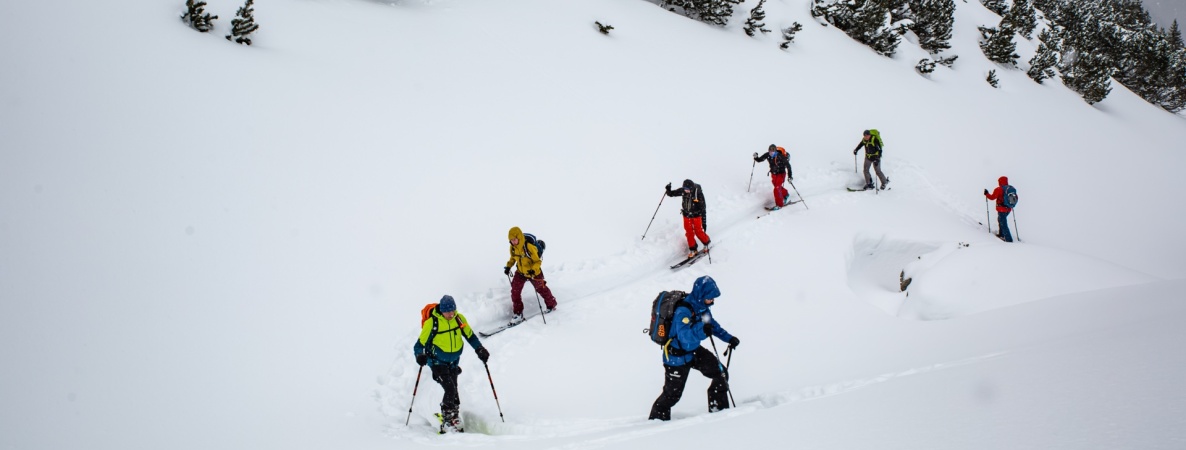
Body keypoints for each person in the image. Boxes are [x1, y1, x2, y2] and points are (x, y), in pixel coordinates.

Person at [649, 275, 739, 421]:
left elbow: (712, 326)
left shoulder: (703, 308)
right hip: (676, 357)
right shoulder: (683, 311)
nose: (712, 301)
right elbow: (685, 336)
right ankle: (655, 422)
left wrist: (729, 338)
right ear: (701, 295)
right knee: (672, 396)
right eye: (710, 298)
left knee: (721, 374)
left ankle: (719, 412)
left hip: (694, 351)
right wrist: (702, 329)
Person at [413, 295, 489, 433]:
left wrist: (479, 349)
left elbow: (470, 335)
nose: (451, 314)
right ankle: (447, 416)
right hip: (436, 361)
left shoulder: (459, 319)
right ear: (441, 310)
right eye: (447, 311)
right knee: (450, 388)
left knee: (454, 388)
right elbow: (419, 345)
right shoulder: (432, 323)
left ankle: (454, 413)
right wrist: (420, 355)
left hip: (453, 361)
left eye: (452, 310)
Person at [503, 226, 558, 321]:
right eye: (511, 240)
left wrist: (533, 270)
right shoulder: (513, 248)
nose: (513, 242)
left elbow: (538, 261)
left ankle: (551, 304)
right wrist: (508, 266)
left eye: (515, 239)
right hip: (520, 272)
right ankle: (518, 314)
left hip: (534, 272)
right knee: (515, 292)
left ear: (519, 238)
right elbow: (513, 258)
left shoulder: (529, 246)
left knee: (542, 288)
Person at [666, 179, 710, 258]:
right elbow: (673, 193)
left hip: (696, 216)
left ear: (692, 188)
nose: (686, 191)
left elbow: (703, 208)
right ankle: (693, 249)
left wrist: (704, 222)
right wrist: (668, 190)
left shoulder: (698, 193)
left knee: (698, 231)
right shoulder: (683, 190)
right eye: (685, 189)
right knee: (689, 232)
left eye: (688, 189)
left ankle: (706, 242)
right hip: (686, 215)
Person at [754, 144, 794, 208]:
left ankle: (779, 205)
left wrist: (790, 176)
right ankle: (785, 194)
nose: (771, 153)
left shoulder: (780, 156)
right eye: (770, 151)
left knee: (777, 188)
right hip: (773, 174)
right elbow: (760, 160)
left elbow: (788, 166)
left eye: (773, 151)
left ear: (776, 151)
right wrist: (756, 157)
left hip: (781, 174)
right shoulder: (767, 154)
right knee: (777, 187)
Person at [984, 176, 1014, 242]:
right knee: (1001, 220)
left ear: (1000, 182)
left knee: (1003, 223)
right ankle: (1001, 234)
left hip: (1001, 209)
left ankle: (1008, 239)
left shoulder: (999, 189)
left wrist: (987, 194)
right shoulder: (1011, 188)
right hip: (1008, 209)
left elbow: (992, 197)